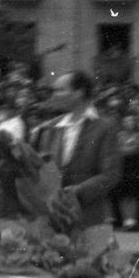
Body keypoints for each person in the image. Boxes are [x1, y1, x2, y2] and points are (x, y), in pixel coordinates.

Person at [31, 71, 121, 231]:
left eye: (60, 90)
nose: (55, 95)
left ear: (79, 92)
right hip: (50, 216)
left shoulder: (105, 126)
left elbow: (111, 173)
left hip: (88, 214)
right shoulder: (50, 127)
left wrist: (80, 191)